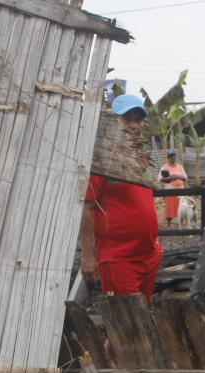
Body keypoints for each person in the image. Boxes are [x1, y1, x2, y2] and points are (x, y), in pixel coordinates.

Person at [79, 94, 161, 303]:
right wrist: (88, 255)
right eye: (127, 119)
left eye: (138, 120)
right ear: (114, 121)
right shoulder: (101, 162)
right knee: (126, 322)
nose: (134, 125)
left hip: (149, 255)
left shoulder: (140, 157)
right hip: (119, 259)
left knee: (143, 319)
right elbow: (85, 208)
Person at [160, 148, 188, 226]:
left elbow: (185, 177)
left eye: (174, 156)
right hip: (170, 189)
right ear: (168, 157)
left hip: (180, 189)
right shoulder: (164, 167)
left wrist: (177, 176)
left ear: (176, 156)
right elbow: (161, 179)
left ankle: (182, 222)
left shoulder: (180, 167)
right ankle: (169, 223)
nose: (172, 158)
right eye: (170, 156)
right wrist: (172, 177)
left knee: (181, 206)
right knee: (169, 207)